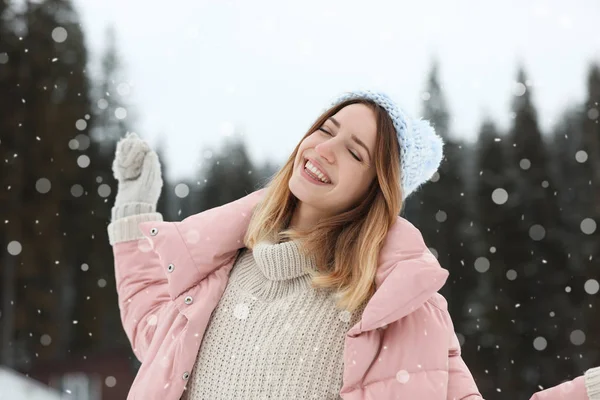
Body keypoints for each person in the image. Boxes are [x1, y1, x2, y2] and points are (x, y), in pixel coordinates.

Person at [107, 89, 598, 400]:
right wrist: (134, 216)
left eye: (354, 151)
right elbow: (155, 330)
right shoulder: (220, 273)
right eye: (326, 129)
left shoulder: (394, 309)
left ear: (374, 191)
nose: (323, 149)